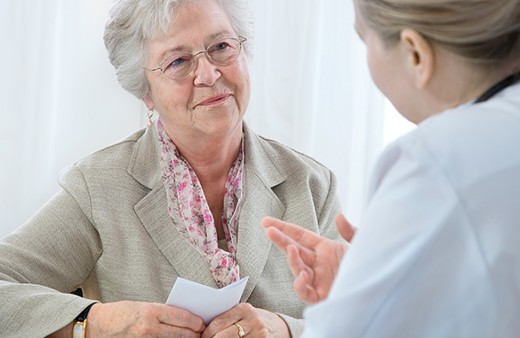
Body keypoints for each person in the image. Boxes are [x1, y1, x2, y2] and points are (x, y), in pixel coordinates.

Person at [0, 0, 343, 337]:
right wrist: (95, 324)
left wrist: (286, 329)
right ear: (146, 92)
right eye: (178, 61)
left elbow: (357, 317)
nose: (209, 74)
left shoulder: (312, 185)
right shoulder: (99, 188)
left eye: (221, 46)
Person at [263, 0, 520, 337]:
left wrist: (370, 296)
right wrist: (385, 289)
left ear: (416, 54)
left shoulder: (437, 160)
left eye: (365, 41)